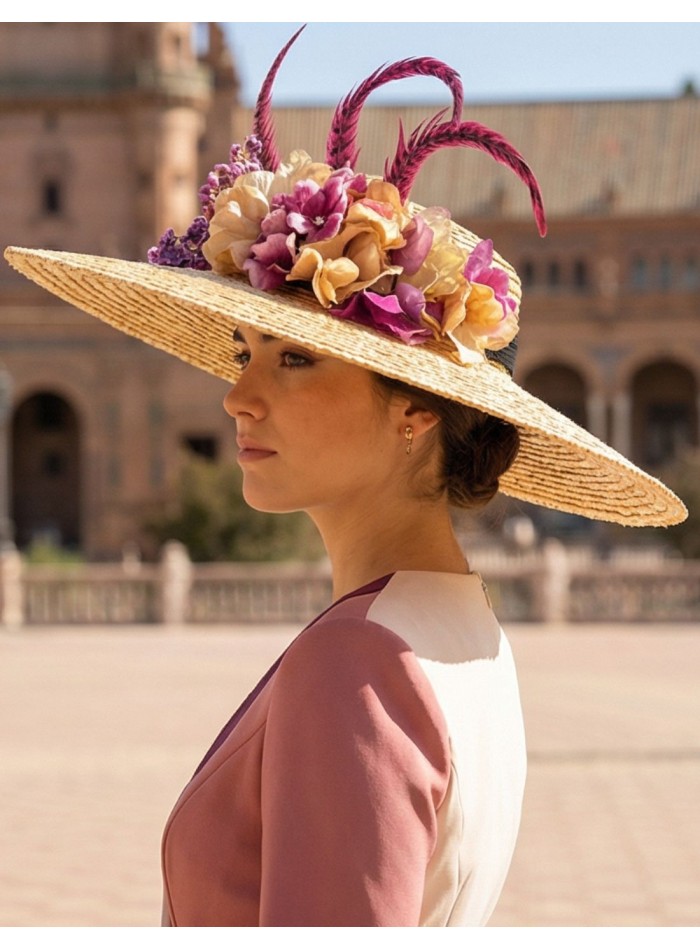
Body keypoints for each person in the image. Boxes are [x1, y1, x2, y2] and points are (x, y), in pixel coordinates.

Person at [4, 28, 686, 928]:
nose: (237, 398)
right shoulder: (461, 629)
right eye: (245, 353)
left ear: (417, 411)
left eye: (292, 363)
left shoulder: (359, 667)